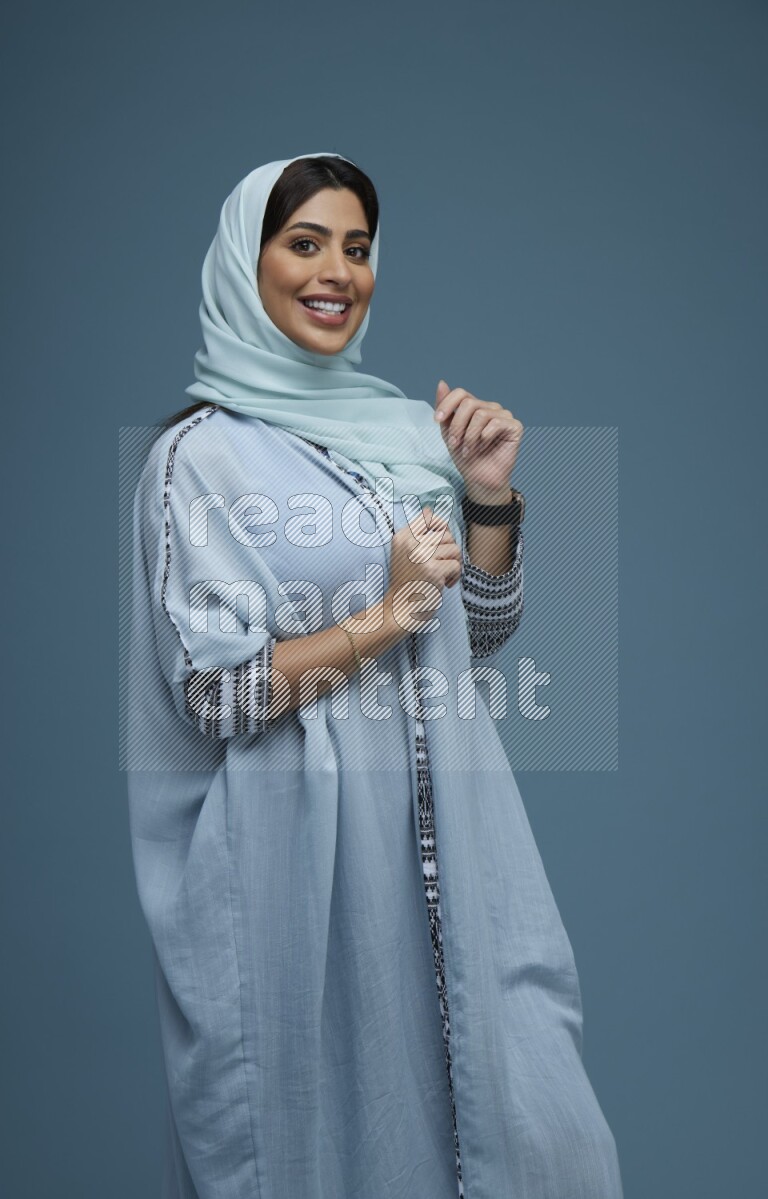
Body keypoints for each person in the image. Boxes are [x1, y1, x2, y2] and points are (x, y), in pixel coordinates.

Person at [125, 151, 624, 1199]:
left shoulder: (401, 434)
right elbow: (214, 694)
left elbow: (473, 639)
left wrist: (485, 499)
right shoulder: (198, 459)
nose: (337, 272)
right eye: (304, 243)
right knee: (337, 1148)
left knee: (538, 1126)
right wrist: (384, 615)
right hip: (303, 868)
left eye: (355, 248)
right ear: (245, 263)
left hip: (459, 846)